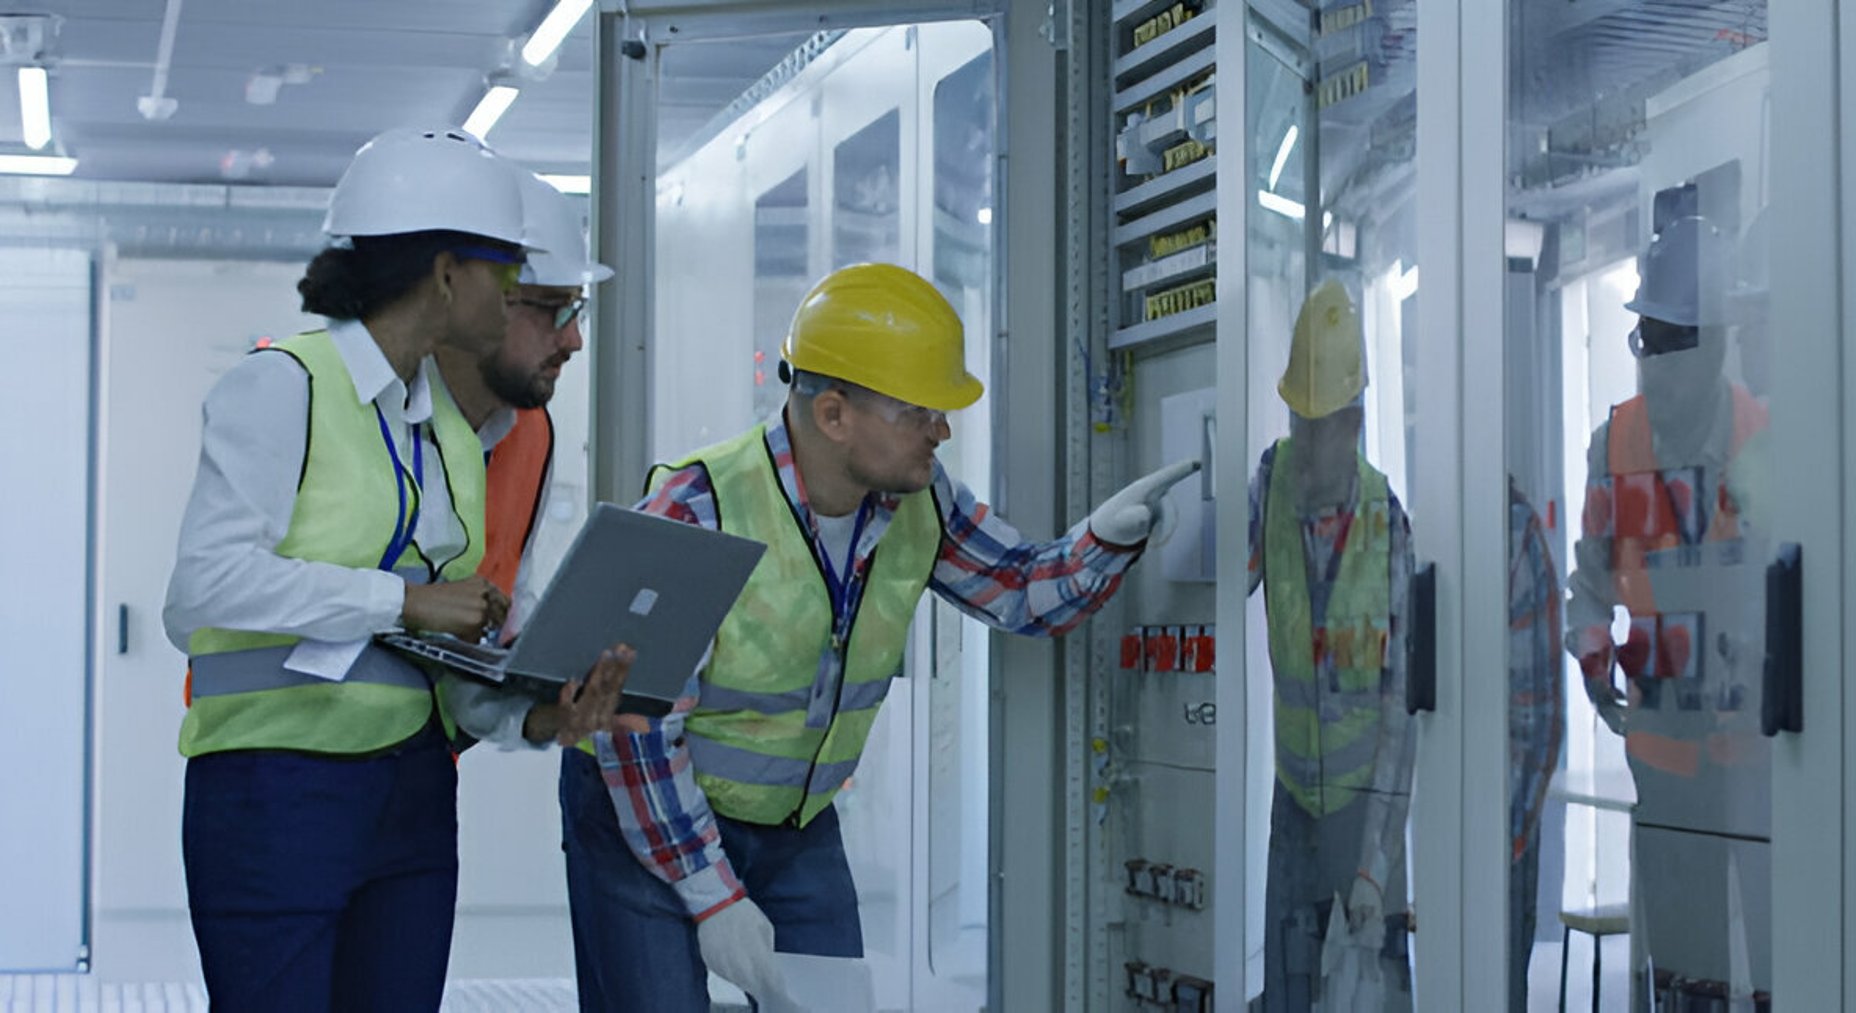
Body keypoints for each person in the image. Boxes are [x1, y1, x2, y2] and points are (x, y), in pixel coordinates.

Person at [558, 261, 1199, 1008]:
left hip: (793, 824)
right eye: (921, 412)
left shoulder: (919, 499)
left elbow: (1024, 593)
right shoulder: (699, 508)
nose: (943, 430)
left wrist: (1103, 539)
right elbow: (635, 722)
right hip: (643, 805)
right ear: (833, 414)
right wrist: (709, 892)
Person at [161, 127, 628, 1011]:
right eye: (505, 271)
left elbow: (431, 653)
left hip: (410, 788)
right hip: (274, 783)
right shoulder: (282, 386)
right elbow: (200, 592)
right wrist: (402, 598)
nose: (514, 292)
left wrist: (534, 717)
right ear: (446, 273)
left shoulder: (444, 430)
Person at [1564, 214, 1771, 1008]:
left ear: (1716, 345)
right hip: (1661, 761)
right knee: (1685, 973)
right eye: (1643, 341)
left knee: (1770, 961)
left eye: (1669, 344)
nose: (1652, 367)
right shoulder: (1613, 444)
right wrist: (1590, 655)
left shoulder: (1764, 441)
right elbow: (1588, 581)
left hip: (1751, 763)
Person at [1252, 278, 1415, 1011]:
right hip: (1294, 801)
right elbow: (1226, 586)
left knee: (1376, 991)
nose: (1306, 441)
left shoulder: (1390, 524)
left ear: (1354, 421)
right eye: (1297, 419)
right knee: (1287, 989)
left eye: (1321, 424)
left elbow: (1403, 708)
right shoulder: (1270, 482)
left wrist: (1376, 867)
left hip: (1365, 807)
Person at [432, 168, 625, 749]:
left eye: (577, 311)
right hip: (283, 772)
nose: (574, 342)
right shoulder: (365, 414)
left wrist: (542, 717)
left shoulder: (530, 431)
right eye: (553, 309)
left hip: (420, 766)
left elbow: (490, 630)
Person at [1506, 476, 1563, 1011]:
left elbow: (1540, 715)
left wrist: (1508, 838)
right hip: (1450, 821)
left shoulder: (1515, 535)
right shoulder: (1432, 530)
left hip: (1501, 822)